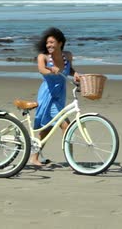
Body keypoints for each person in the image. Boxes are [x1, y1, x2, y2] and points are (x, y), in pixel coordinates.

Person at [31, 27, 80, 166]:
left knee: (46, 128)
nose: (49, 45)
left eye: (52, 42)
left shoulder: (68, 55)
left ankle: (34, 158)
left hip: (60, 94)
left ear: (60, 43)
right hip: (48, 94)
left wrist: (75, 73)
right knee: (66, 125)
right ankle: (71, 160)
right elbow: (41, 69)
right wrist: (50, 70)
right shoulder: (43, 57)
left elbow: (69, 69)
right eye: (47, 43)